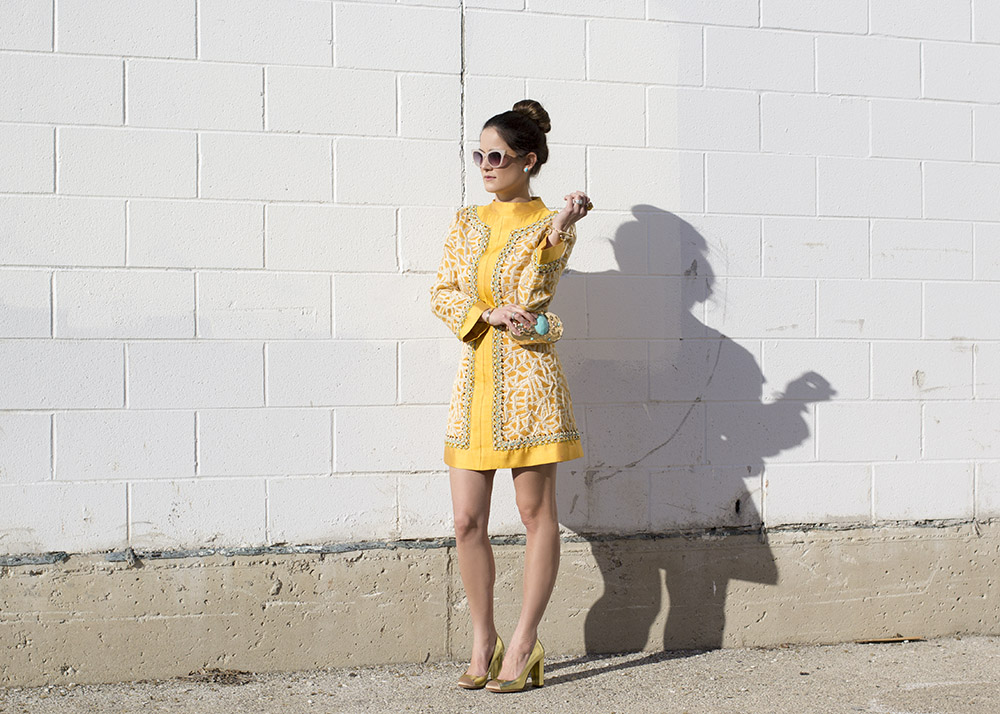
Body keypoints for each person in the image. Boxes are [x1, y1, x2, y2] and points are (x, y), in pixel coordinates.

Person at [429, 99, 591, 693]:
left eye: (494, 156)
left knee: (534, 515)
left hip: (527, 386)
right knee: (467, 519)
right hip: (476, 382)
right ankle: (483, 639)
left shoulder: (549, 223)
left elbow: (536, 297)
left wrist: (560, 233)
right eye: (479, 155)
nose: (484, 165)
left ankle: (524, 644)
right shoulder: (467, 221)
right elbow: (443, 290)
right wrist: (483, 313)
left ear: (527, 160)